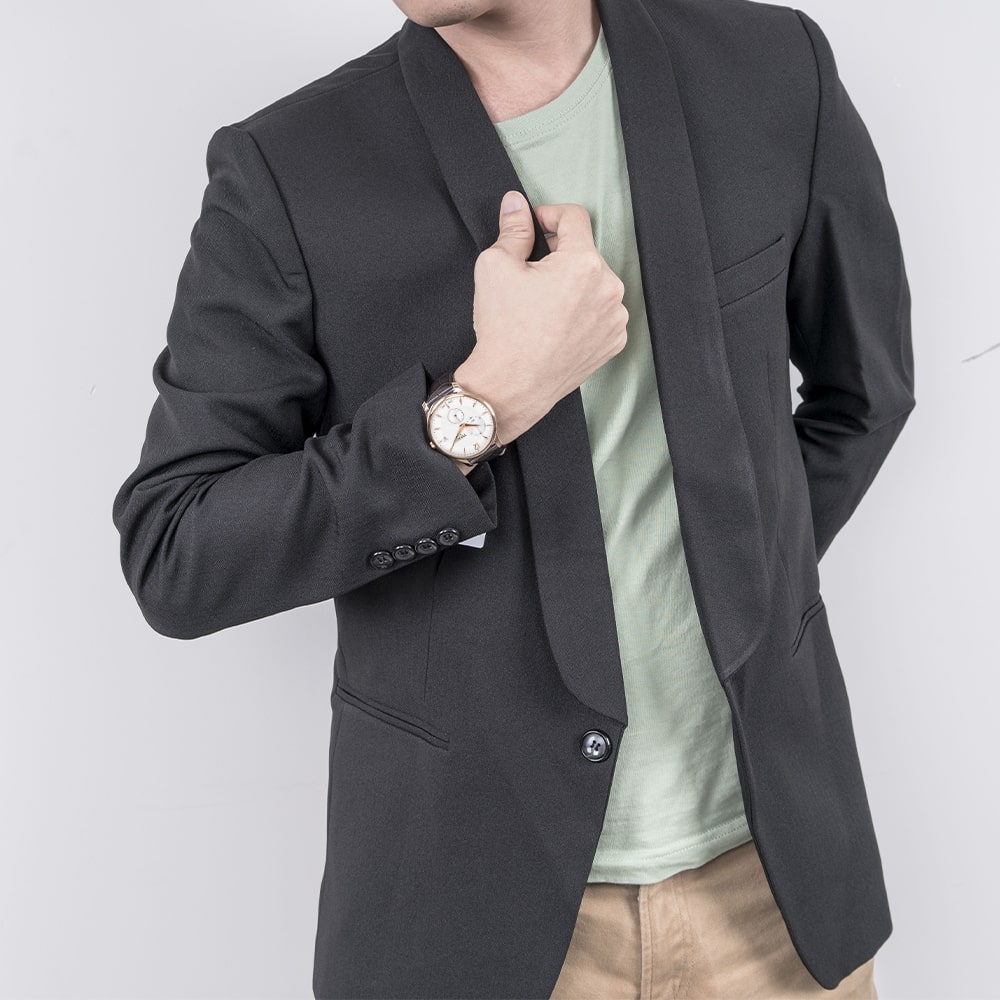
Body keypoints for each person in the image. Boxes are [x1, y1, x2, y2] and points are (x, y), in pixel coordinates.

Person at [112, 0, 914, 996]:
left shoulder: (771, 68)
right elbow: (177, 552)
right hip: (464, 914)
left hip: (778, 889)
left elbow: (863, 396)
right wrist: (479, 407)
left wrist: (738, 569)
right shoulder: (290, 168)